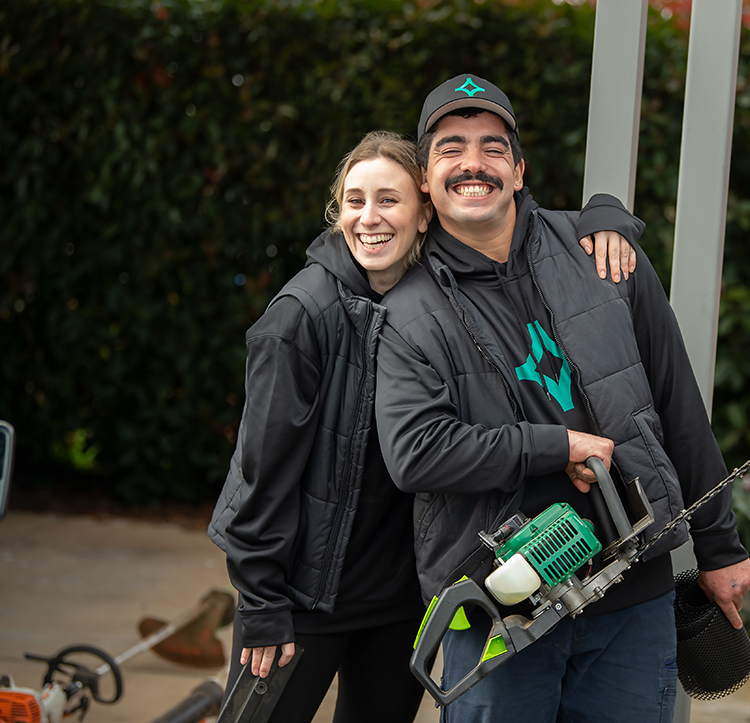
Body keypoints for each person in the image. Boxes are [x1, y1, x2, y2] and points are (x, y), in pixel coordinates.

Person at [207, 129, 639, 723]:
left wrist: (606, 216)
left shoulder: (433, 304)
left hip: (399, 605)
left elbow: (525, 230)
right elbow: (260, 477)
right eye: (354, 201)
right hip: (302, 599)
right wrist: (260, 603)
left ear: (425, 213)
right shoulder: (300, 317)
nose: (369, 218)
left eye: (389, 199)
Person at [375, 74, 750, 723]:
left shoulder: (604, 257)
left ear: (519, 170)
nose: (474, 163)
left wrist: (718, 545)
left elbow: (677, 405)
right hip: (499, 606)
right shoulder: (406, 310)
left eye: (493, 147)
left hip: (632, 597)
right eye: (451, 148)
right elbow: (415, 455)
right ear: (423, 178)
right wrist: (559, 446)